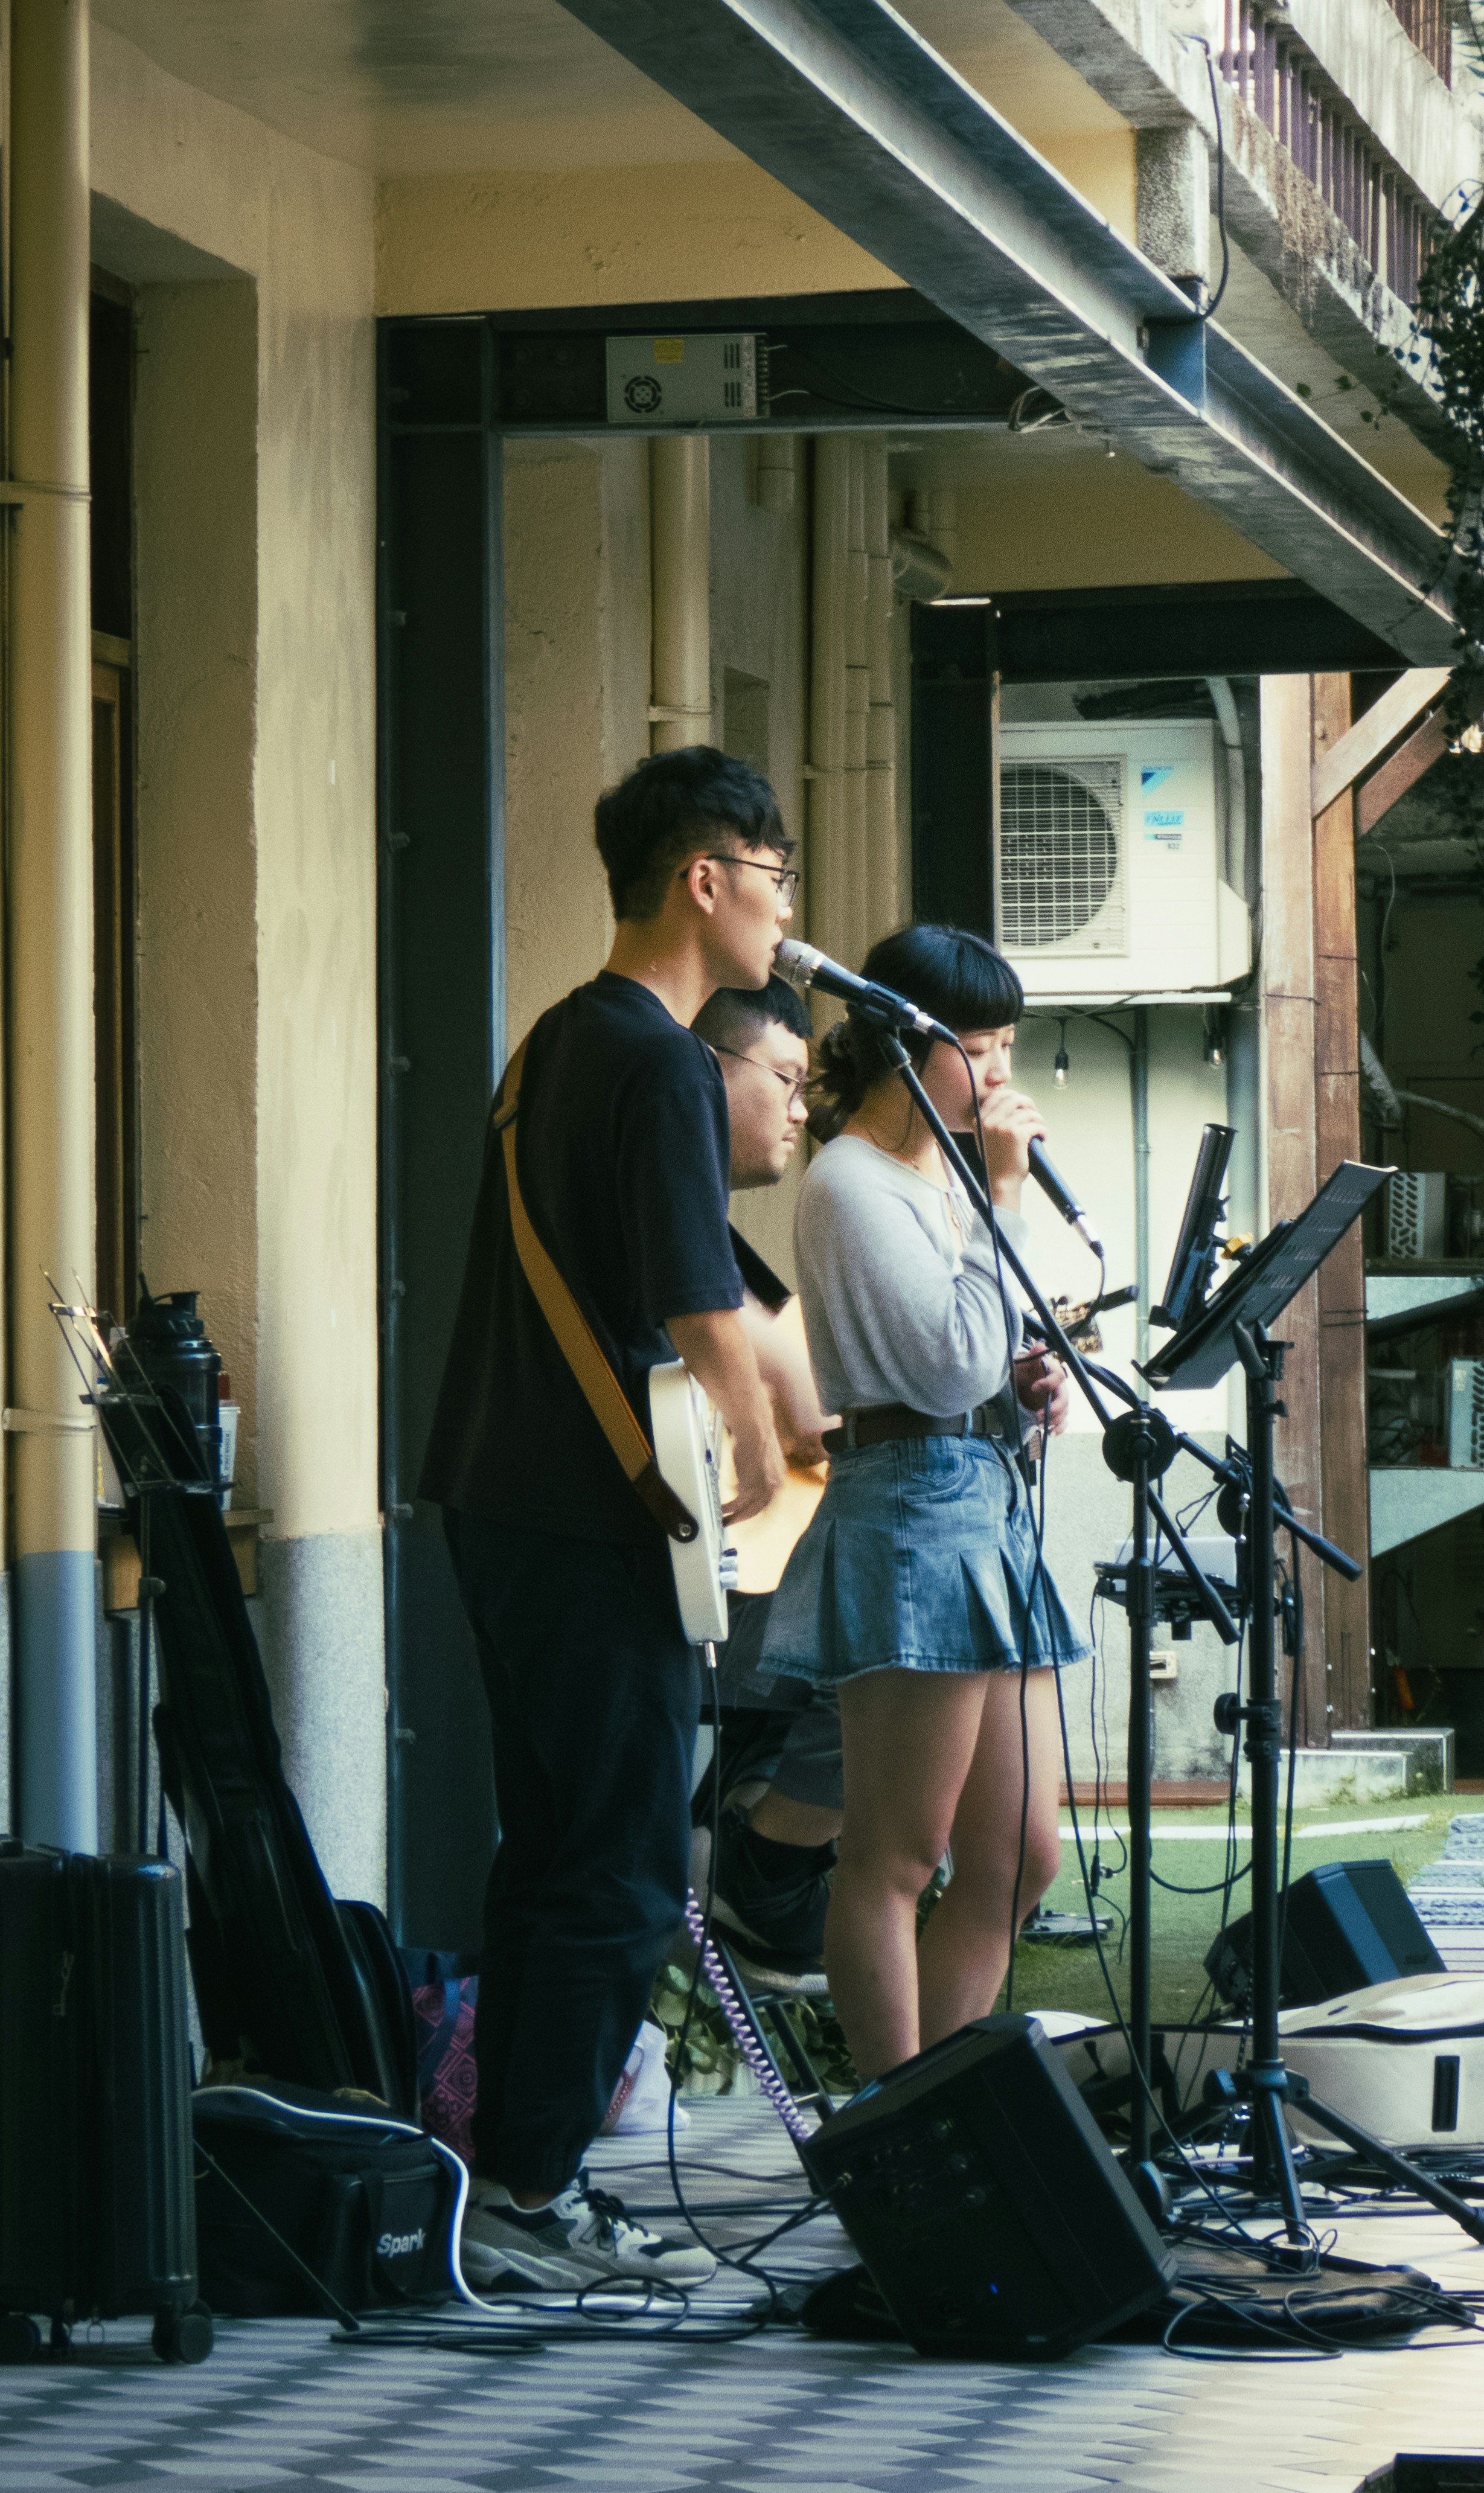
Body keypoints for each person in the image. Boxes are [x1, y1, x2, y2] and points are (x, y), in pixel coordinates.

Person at [423, 747, 792, 2290]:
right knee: (629, 1863)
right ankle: (524, 2192)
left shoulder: (552, 1046)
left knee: (555, 1850)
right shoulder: (659, 1061)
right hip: (590, 1513)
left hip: (506, 1498)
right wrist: (762, 1459)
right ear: (703, 879)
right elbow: (697, 1296)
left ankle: (518, 2176)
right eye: (773, 877)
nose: (785, 912)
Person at [757, 923, 1082, 2081]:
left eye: (1004, 1046)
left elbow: (974, 1353)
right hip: (907, 1506)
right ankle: (894, 2123)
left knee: (1023, 1850)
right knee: (899, 1854)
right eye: (980, 1047)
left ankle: (952, 2097)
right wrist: (1002, 1195)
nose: (999, 1075)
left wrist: (1023, 1378)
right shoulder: (851, 1181)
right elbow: (939, 1366)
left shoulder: (944, 1173)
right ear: (907, 1041)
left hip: (983, 1494)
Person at [689, 979, 845, 1976]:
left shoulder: (721, 1235)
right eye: (787, 1079)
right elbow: (818, 1417)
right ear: (712, 1073)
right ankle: (762, 1855)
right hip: (709, 1598)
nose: (801, 1108)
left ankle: (768, 1832)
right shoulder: (682, 1231)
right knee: (908, 1656)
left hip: (735, 1583)